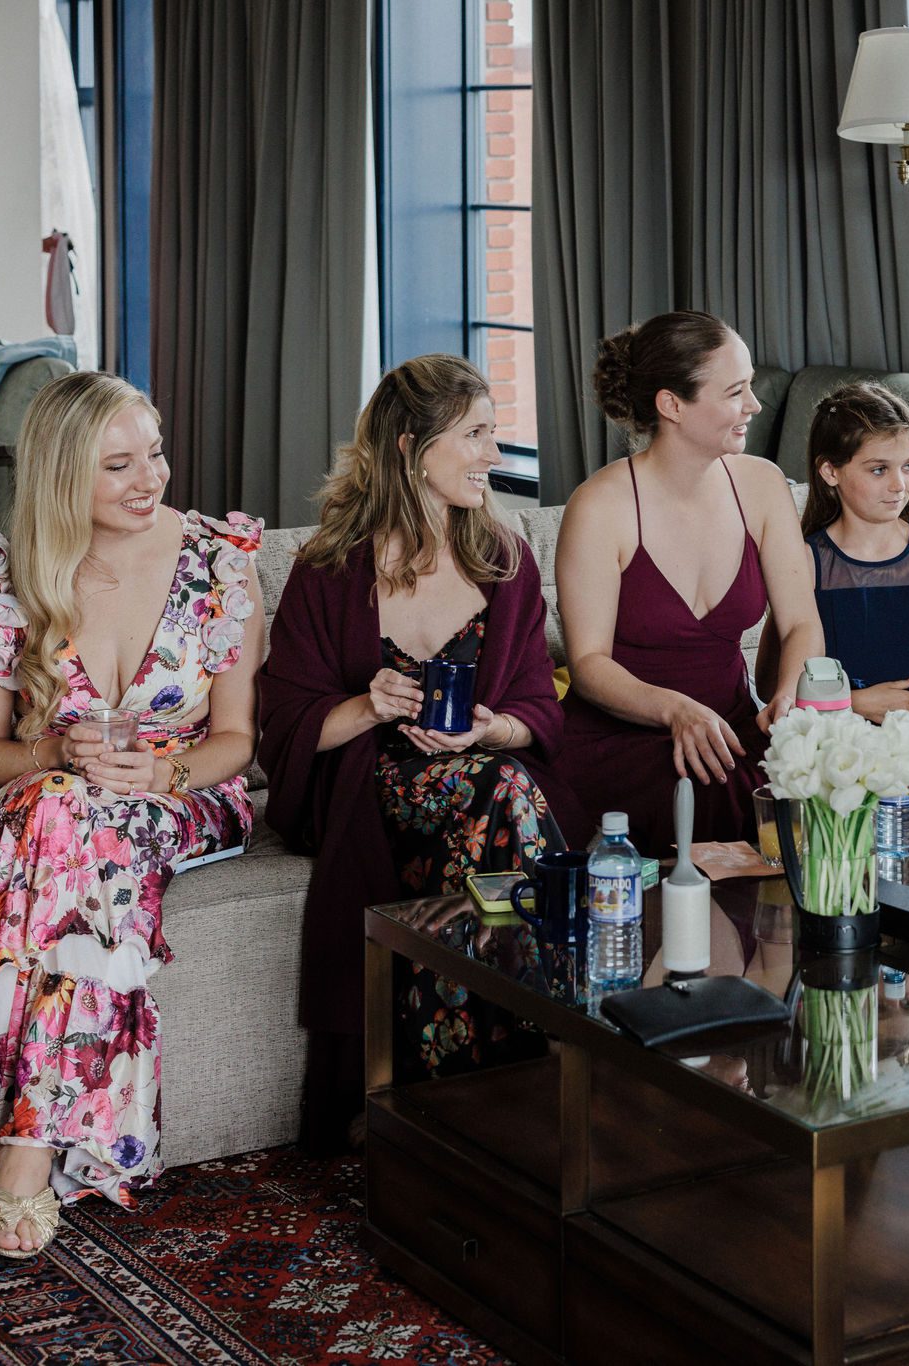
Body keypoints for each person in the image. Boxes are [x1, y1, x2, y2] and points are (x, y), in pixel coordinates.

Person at [0, 372, 264, 1258]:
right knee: (62, 813)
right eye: (117, 464)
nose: (148, 478)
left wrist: (163, 769)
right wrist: (53, 754)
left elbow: (236, 741)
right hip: (56, 804)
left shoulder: (220, 562)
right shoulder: (8, 577)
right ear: (62, 476)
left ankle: (18, 1158)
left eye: (153, 450)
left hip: (185, 795)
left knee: (62, 825)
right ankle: (42, 1144)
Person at [257, 353, 579, 1151]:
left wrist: (487, 728)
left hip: (485, 789)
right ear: (409, 444)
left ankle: (458, 1104)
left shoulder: (505, 560)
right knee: (505, 802)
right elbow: (285, 727)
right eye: (475, 435)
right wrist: (366, 706)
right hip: (372, 793)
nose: (494, 457)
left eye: (494, 435)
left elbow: (538, 708)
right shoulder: (329, 570)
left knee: (497, 796)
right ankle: (551, 1055)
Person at [555, 310, 822, 853]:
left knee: (824, 798)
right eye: (735, 391)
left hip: (732, 729)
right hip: (622, 739)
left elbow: (800, 622)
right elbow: (587, 666)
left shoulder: (763, 486)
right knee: (704, 796)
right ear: (671, 405)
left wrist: (792, 696)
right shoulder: (599, 506)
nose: (754, 405)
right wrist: (674, 709)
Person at [754, 382, 909, 826]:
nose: (900, 484)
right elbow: (771, 685)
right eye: (879, 469)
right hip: (830, 738)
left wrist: (901, 765)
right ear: (830, 472)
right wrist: (856, 703)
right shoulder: (804, 560)